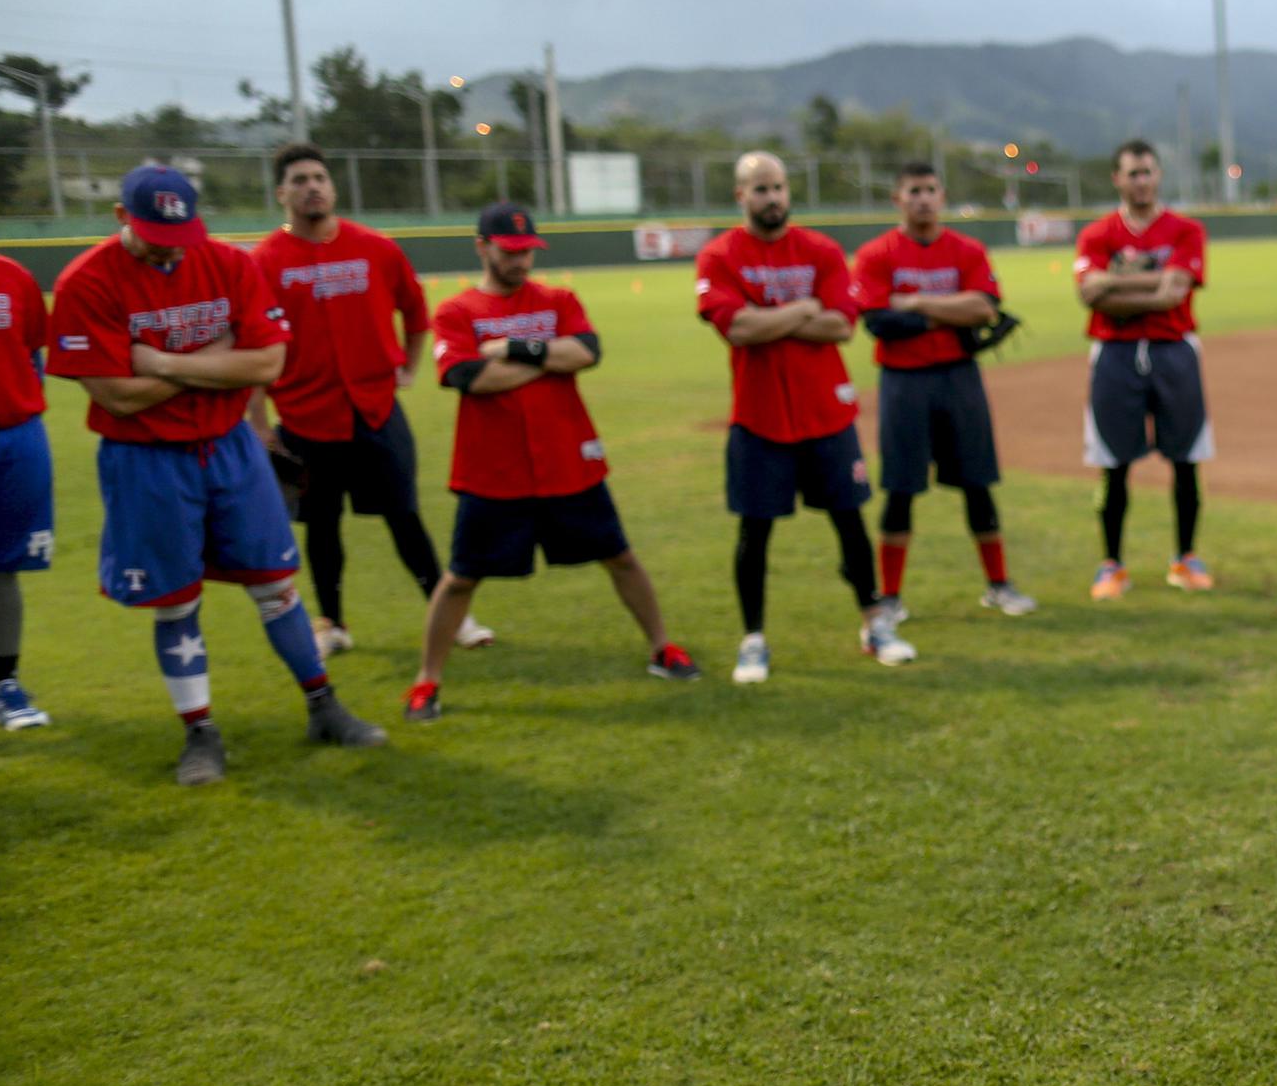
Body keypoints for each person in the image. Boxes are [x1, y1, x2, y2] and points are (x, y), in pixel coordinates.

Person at [46, 166, 387, 783]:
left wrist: (160, 359)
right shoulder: (86, 281)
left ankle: (323, 704)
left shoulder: (228, 263)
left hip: (229, 446)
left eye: (181, 233)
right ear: (122, 218)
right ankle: (200, 733)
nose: (171, 246)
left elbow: (266, 361)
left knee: (276, 582)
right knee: (176, 599)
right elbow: (117, 395)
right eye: (154, 233)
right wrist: (215, 358)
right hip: (145, 458)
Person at [402, 203, 699, 720]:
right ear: (482, 247)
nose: (521, 262)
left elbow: (586, 353)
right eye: (510, 251)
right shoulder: (457, 312)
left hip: (569, 461)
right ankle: (428, 681)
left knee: (621, 557)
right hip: (493, 472)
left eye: (527, 252)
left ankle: (661, 648)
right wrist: (545, 360)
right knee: (461, 579)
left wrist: (511, 349)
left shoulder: (559, 298)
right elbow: (472, 380)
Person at [249, 140, 490, 658]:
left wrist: (407, 368)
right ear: (281, 194)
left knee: (404, 515)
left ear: (332, 187)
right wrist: (260, 423)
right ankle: (331, 622)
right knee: (321, 525)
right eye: (299, 180)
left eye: (319, 177)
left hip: (375, 411)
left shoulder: (375, 247)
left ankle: (450, 615)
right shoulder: (265, 261)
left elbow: (416, 313)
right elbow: (253, 346)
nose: (312, 187)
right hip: (305, 418)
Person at [697, 151, 913, 679]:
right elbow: (737, 329)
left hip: (827, 414)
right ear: (740, 196)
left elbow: (841, 325)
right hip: (759, 416)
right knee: (755, 533)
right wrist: (802, 310)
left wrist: (766, 317)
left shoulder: (820, 250)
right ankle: (753, 638)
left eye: (778, 187)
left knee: (850, 522)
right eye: (760, 189)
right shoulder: (720, 255)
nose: (772, 198)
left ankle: (874, 622)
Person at [851, 162, 1035, 619]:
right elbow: (879, 323)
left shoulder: (967, 249)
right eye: (913, 190)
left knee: (978, 482)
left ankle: (998, 584)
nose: (923, 199)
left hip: (959, 378)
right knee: (901, 488)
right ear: (897, 199)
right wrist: (950, 314)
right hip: (904, 382)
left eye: (931, 190)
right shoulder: (877, 254)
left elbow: (985, 307)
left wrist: (914, 302)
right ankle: (889, 596)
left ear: (943, 196)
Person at [1074, 139, 1213, 598]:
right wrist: (1153, 288)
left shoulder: (1186, 230)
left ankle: (1185, 558)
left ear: (1159, 176)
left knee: (1186, 458)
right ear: (1117, 178)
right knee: (1113, 462)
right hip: (1114, 353)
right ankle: (1111, 564)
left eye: (1148, 171)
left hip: (1174, 351)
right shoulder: (1097, 234)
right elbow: (1090, 293)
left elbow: (1176, 292)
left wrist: (1116, 286)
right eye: (1132, 172)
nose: (1141, 180)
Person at [0, 248, 55, 729]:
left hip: (15, 437)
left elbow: (33, 349)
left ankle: (6, 686)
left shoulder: (13, 277)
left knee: (2, 567)